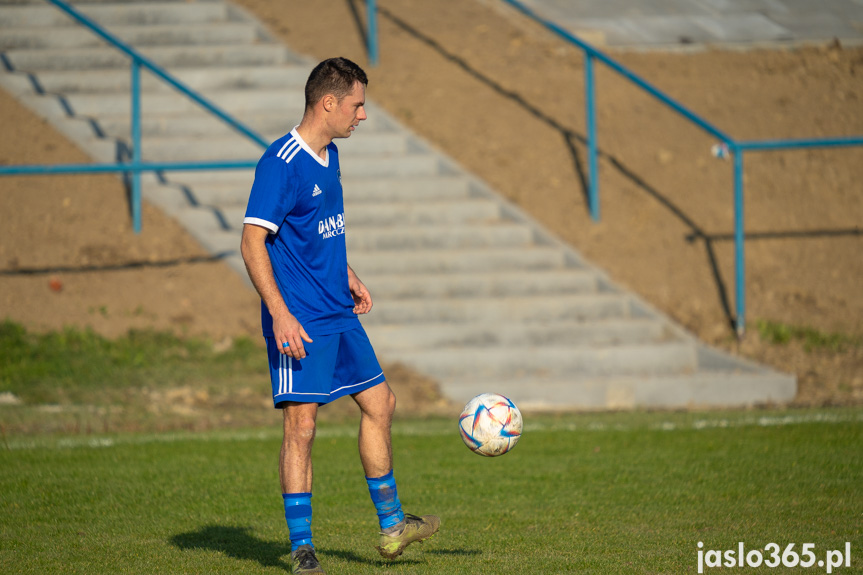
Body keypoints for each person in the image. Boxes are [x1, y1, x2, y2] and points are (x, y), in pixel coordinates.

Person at [240, 57, 440, 575]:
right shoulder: (281, 162)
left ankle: (393, 525)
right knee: (301, 428)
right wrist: (280, 315)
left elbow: (315, 229)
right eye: (357, 104)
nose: (363, 115)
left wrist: (347, 272)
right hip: (300, 320)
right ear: (328, 103)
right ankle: (303, 548)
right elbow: (252, 241)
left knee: (382, 403)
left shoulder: (328, 155)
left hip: (339, 312)